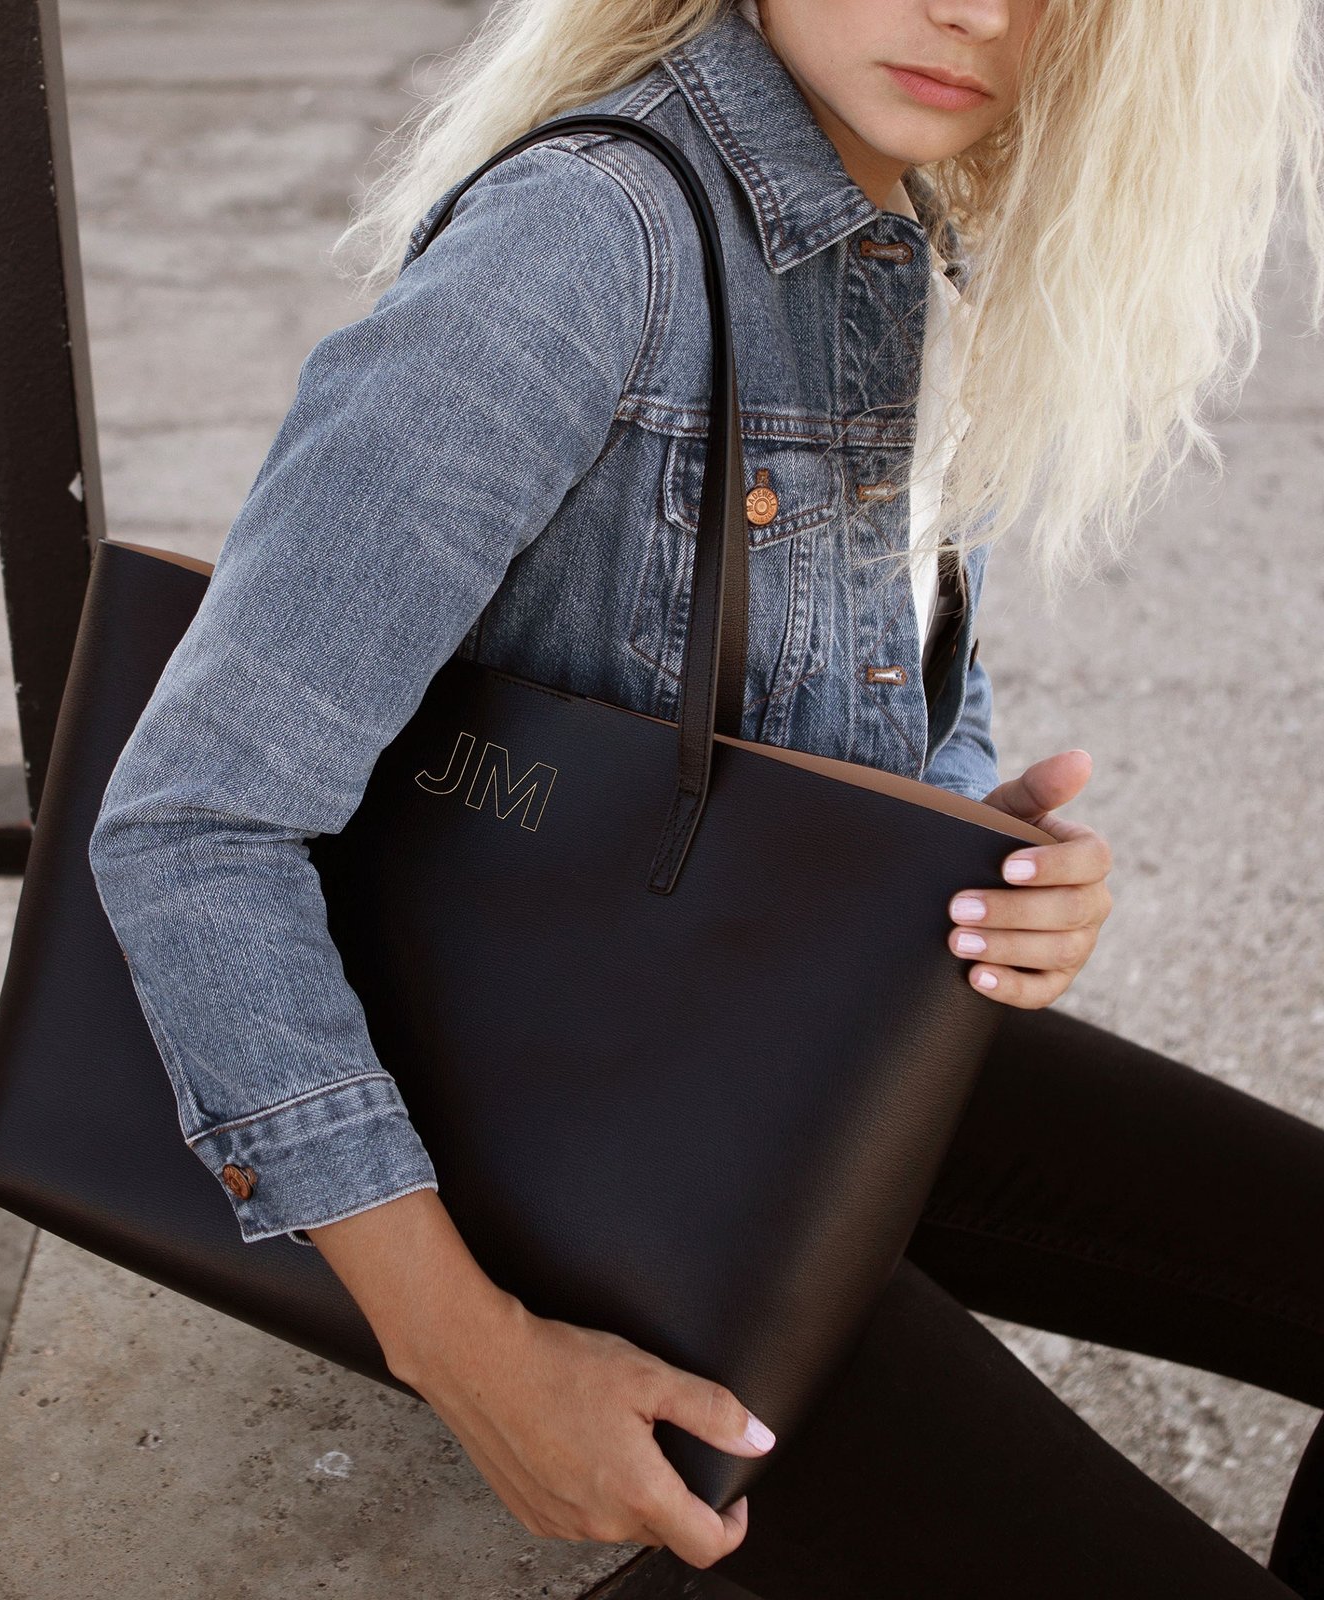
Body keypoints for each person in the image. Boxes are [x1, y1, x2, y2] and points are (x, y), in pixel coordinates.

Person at [86, 0, 1324, 1592]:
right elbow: (194, 824)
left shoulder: (908, 234)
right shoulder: (583, 245)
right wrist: (471, 1351)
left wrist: (981, 863)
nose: (973, 9)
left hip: (771, 1048)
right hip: (543, 1146)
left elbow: (896, 692)